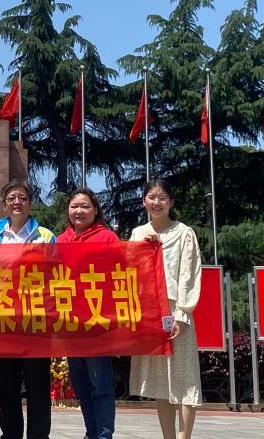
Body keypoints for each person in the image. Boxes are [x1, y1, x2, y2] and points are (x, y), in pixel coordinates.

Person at [129, 180, 202, 439]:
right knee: (161, 382)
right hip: (150, 311)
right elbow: (129, 271)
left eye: (162, 198)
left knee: (185, 378)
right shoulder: (138, 233)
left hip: (175, 308)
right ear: (144, 201)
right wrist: (144, 249)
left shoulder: (184, 233)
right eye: (152, 197)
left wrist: (182, 313)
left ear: (171, 202)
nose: (156, 202)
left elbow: (189, 275)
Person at [0, 181, 56, 439]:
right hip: (5, 321)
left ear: (30, 203)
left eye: (23, 198)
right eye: (12, 198)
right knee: (8, 385)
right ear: (4, 203)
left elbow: (59, 274)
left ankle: (39, 436)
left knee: (38, 386)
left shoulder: (46, 236)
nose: (17, 202)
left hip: (36, 321)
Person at [57, 188, 120, 439]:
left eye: (85, 206)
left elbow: (119, 276)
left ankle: (104, 434)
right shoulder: (61, 240)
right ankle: (91, 433)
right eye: (74, 206)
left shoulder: (107, 238)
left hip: (97, 325)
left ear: (95, 211)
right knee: (81, 385)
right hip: (71, 325)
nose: (79, 211)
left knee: (100, 385)